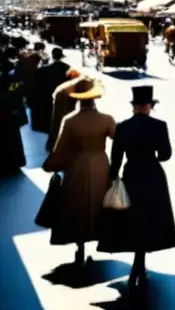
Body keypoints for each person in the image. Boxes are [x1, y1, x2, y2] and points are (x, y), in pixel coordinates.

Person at [98, 85, 175, 288]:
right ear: (149, 106)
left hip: (131, 173)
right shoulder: (160, 126)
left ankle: (137, 262)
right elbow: (166, 155)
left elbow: (115, 160)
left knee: (132, 218)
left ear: (134, 106)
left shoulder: (123, 127)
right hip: (153, 175)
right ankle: (140, 262)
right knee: (150, 218)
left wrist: (111, 179)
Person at [42, 75, 116, 268]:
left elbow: (59, 148)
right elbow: (119, 140)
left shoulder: (70, 120)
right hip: (100, 163)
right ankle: (100, 235)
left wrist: (51, 164)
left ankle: (80, 244)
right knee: (99, 202)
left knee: (78, 204)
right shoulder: (107, 119)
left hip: (78, 164)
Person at [34, 47, 70, 136]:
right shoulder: (67, 68)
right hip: (63, 97)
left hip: (49, 97)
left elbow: (39, 86)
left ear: (53, 56)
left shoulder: (44, 69)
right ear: (61, 57)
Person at [48, 70, 85, 153]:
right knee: (61, 122)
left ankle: (53, 145)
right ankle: (57, 147)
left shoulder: (78, 82)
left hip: (63, 96)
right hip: (63, 98)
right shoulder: (82, 83)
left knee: (58, 121)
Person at [0, 66, 26, 174]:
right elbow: (14, 88)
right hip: (9, 115)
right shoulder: (7, 76)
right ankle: (14, 163)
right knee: (12, 140)